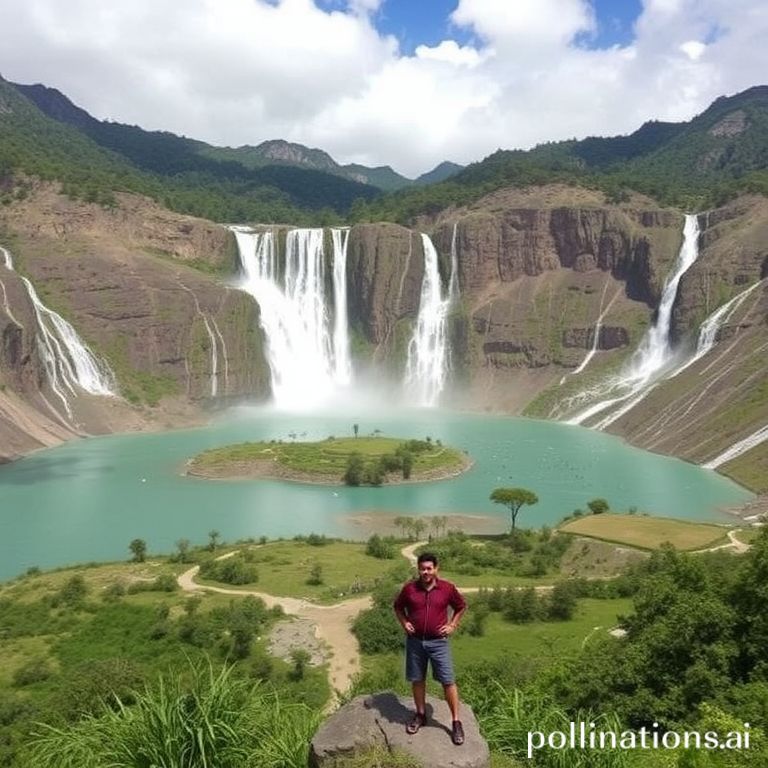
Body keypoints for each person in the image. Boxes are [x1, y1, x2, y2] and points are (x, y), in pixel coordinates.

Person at [393, 552, 467, 746]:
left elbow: (461, 606)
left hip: (438, 642)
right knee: (417, 679)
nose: (425, 572)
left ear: (436, 569)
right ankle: (420, 714)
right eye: (422, 568)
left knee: (448, 680)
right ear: (418, 568)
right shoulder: (410, 589)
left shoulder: (447, 588)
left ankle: (456, 721)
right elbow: (398, 607)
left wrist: (453, 625)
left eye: (429, 568)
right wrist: (404, 623)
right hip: (415, 642)